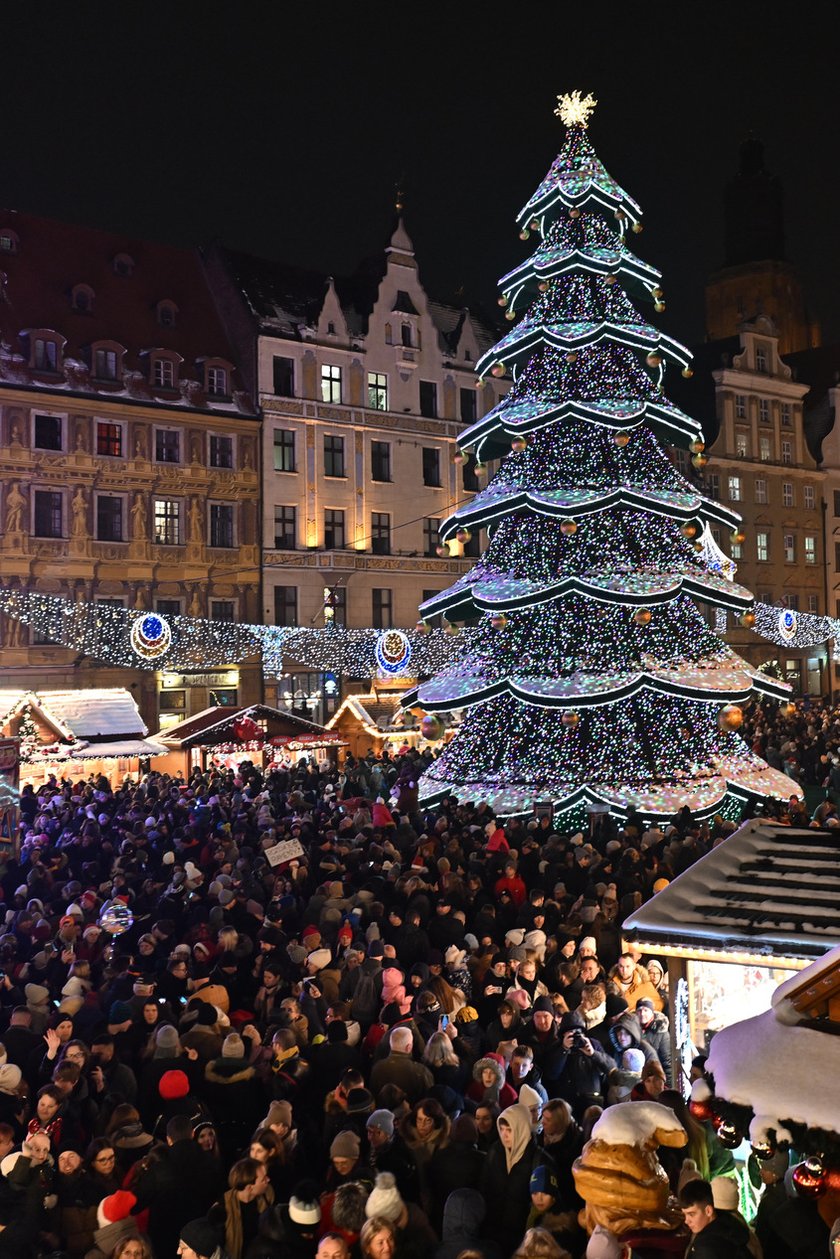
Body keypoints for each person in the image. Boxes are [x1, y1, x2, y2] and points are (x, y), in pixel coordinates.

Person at [678, 1177, 752, 1257]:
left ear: (708, 1211)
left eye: (691, 1214)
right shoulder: (729, 1222)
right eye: (685, 1214)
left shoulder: (707, 1248)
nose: (686, 1221)